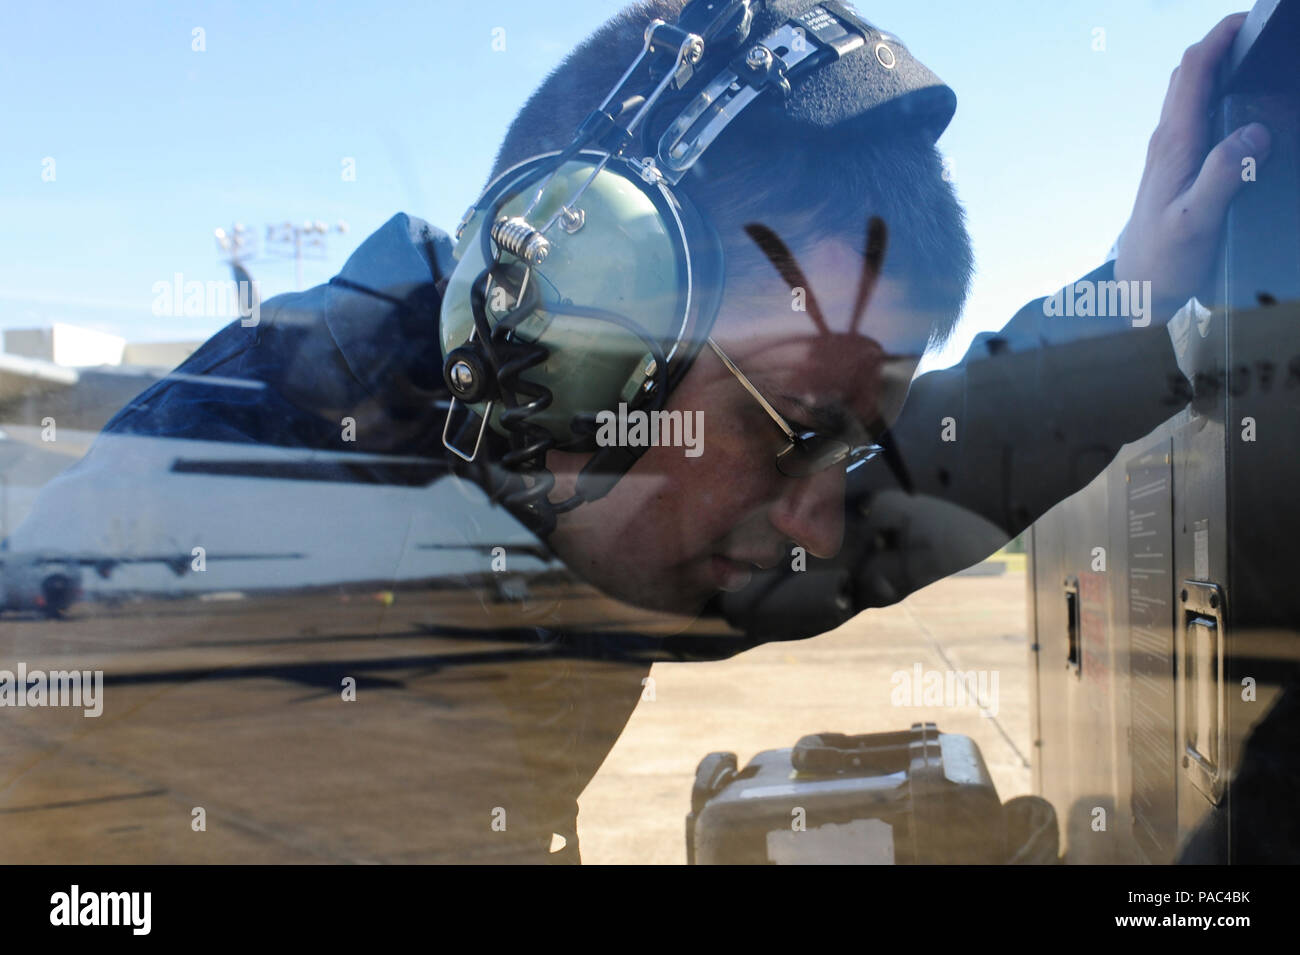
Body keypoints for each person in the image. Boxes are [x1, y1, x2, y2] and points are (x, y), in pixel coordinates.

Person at [13, 1, 1266, 862]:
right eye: (790, 431)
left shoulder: (536, 478)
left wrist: (1129, 304)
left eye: (848, 440)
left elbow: (908, 478)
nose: (819, 521)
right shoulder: (165, 630)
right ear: (572, 333)